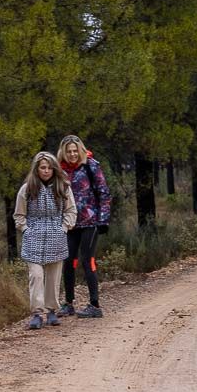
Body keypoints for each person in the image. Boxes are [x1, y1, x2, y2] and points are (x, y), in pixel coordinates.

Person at [13, 152, 77, 330]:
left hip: (56, 237)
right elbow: (19, 214)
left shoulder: (63, 187)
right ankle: (36, 313)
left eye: (49, 167)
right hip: (33, 238)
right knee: (36, 276)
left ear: (54, 168)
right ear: (36, 169)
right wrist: (26, 229)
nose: (46, 171)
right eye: (43, 167)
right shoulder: (27, 189)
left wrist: (64, 227)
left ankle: (51, 311)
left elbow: (71, 211)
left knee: (53, 277)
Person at [57, 135, 112, 319]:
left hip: (91, 221)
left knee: (87, 260)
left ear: (80, 150)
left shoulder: (90, 165)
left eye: (75, 151)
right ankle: (69, 303)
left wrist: (103, 219)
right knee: (68, 261)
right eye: (69, 151)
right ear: (63, 152)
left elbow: (104, 192)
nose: (72, 154)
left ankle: (95, 305)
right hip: (70, 223)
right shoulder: (60, 170)